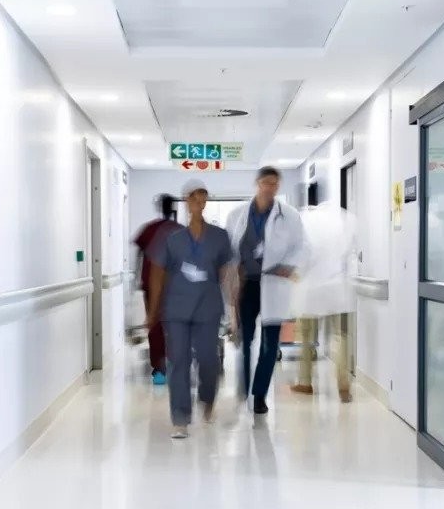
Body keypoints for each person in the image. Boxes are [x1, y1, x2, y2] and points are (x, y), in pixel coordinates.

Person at [147, 180, 233, 439]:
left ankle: (207, 399)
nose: (198, 202)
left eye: (203, 197)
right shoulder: (172, 239)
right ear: (186, 201)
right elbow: (157, 274)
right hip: (177, 310)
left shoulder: (219, 237)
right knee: (179, 362)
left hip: (208, 309)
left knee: (208, 360)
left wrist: (233, 310)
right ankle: (180, 418)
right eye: (194, 198)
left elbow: (227, 274)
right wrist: (152, 310)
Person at [226, 166, 305, 414]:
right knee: (245, 341)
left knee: (270, 345)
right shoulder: (237, 214)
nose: (270, 188)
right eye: (266, 183)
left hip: (274, 284)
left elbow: (302, 246)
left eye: (275, 184)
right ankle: (243, 389)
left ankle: (259, 394)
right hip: (247, 285)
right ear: (257, 184)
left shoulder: (289, 215)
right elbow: (230, 252)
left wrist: (289, 267)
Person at [289, 203, 357, 403]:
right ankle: (343, 386)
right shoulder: (346, 219)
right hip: (338, 288)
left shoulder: (303, 220)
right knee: (341, 337)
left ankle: (305, 382)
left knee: (306, 338)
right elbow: (351, 253)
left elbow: (299, 254)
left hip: (310, 289)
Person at [133, 193, 183, 385]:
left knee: (155, 325)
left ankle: (160, 369)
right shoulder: (179, 230)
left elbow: (139, 254)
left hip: (151, 286)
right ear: (173, 209)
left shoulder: (149, 229)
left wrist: (138, 278)